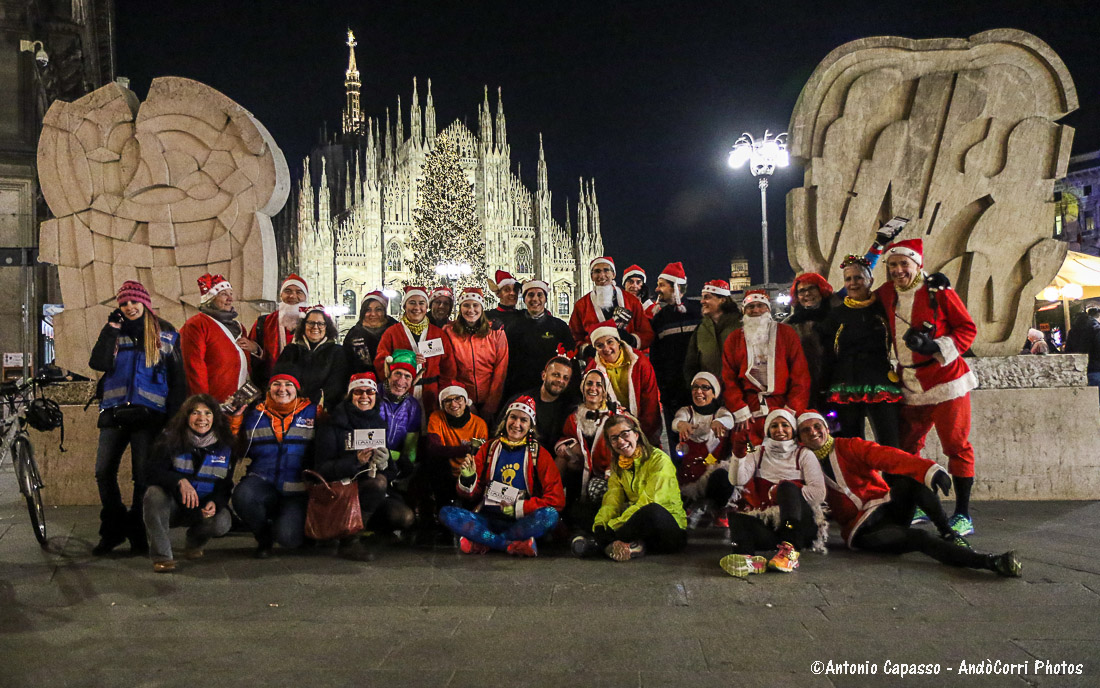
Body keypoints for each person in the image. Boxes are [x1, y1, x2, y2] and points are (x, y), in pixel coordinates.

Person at [795, 411, 1021, 577]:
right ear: (800, 437)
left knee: (911, 482)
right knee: (919, 538)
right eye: (806, 430)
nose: (813, 432)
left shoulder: (848, 446)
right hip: (863, 530)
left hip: (886, 507)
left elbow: (888, 456)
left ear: (826, 428)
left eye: (817, 426)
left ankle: (948, 532)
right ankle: (989, 562)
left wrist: (929, 470)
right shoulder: (800, 462)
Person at [877, 238, 980, 536]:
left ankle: (962, 513)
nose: (898, 271)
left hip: (947, 382)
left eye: (904, 264)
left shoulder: (937, 291)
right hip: (910, 383)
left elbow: (967, 329)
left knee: (955, 446)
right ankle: (922, 501)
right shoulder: (886, 293)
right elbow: (856, 294)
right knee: (909, 448)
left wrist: (935, 345)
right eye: (892, 265)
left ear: (917, 264)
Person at [88, 281, 186, 555]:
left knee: (141, 477)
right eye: (124, 303)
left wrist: (174, 420)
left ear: (145, 303)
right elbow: (99, 363)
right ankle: (113, 528)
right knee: (103, 471)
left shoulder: (164, 332)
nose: (129, 307)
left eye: (134, 302)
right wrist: (111, 330)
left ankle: (137, 532)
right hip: (115, 412)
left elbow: (178, 380)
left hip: (149, 415)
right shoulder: (113, 330)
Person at [439, 396, 565, 556]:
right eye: (513, 417)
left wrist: (518, 509)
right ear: (505, 419)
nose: (516, 424)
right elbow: (471, 495)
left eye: (523, 420)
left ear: (531, 426)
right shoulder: (489, 448)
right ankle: (509, 545)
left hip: (521, 523)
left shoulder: (539, 454)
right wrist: (468, 479)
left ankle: (486, 542)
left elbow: (556, 500)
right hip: (487, 520)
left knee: (550, 516)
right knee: (447, 513)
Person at [314, 372, 415, 560]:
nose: (364, 397)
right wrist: (355, 462)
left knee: (405, 517)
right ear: (350, 396)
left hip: (369, 494)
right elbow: (322, 469)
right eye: (358, 392)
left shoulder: (378, 423)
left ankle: (364, 528)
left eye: (370, 392)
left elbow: (390, 473)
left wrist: (385, 463)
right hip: (341, 492)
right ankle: (349, 539)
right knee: (377, 483)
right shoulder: (333, 425)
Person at [716, 408, 826, 577]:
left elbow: (819, 493)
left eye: (785, 425)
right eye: (774, 426)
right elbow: (737, 481)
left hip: (798, 527)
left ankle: (790, 550)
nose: (780, 430)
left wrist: (783, 493)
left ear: (793, 430)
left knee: (786, 488)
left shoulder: (804, 454)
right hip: (772, 529)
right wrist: (738, 455)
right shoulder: (758, 452)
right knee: (737, 517)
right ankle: (748, 559)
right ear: (768, 430)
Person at [571, 413, 687, 561]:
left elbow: (649, 501)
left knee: (652, 512)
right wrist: (601, 524)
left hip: (667, 529)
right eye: (614, 438)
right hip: (634, 522)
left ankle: (598, 544)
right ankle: (632, 545)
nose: (621, 441)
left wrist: (612, 527)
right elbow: (612, 499)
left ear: (636, 435)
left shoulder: (659, 460)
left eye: (625, 434)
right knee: (580, 509)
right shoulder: (619, 465)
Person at [817, 254, 903, 447]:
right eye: (848, 279)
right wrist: (823, 387)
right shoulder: (835, 316)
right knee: (852, 444)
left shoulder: (883, 309)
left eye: (858, 278)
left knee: (891, 442)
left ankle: (894, 477)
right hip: (845, 381)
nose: (853, 283)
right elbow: (828, 355)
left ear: (870, 280)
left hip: (880, 379)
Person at [142, 394, 234, 572]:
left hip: (201, 507)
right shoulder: (169, 439)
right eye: (195, 413)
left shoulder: (225, 445)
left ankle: (194, 543)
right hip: (173, 506)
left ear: (215, 417)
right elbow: (151, 472)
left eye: (207, 413)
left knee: (222, 522)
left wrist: (215, 502)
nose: (202, 419)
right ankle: (162, 557)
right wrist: (179, 481)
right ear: (186, 417)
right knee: (153, 494)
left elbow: (225, 485)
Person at [231, 374, 316, 558]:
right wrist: (235, 419)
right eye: (276, 384)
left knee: (288, 538)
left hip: (297, 490)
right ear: (269, 389)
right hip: (263, 480)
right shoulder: (254, 413)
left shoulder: (314, 412)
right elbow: (235, 447)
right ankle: (263, 538)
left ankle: (287, 522)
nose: (282, 389)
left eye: (288, 384)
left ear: (297, 389)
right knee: (243, 496)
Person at [721, 289, 811, 449]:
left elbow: (800, 375)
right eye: (750, 307)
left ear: (769, 309)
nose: (755, 310)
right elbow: (729, 378)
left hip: (782, 404)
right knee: (749, 455)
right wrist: (739, 408)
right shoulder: (734, 339)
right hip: (749, 409)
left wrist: (792, 408)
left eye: (760, 306)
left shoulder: (787, 334)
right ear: (744, 311)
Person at [375, 286, 454, 419]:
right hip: (402, 392)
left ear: (426, 306)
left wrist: (444, 391)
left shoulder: (438, 333)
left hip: (431, 393)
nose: (417, 307)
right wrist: (406, 359)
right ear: (404, 306)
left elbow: (449, 367)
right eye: (412, 303)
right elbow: (381, 362)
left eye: (421, 303)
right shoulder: (392, 333)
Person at [554, 369, 617, 525]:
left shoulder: (616, 417)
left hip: (608, 475)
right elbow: (565, 438)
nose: (593, 388)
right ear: (583, 388)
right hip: (581, 472)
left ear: (604, 391)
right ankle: (551, 503)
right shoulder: (573, 417)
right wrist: (570, 447)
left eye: (598, 385)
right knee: (562, 459)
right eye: (589, 383)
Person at [585, 320, 663, 447]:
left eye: (610, 342)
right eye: (600, 345)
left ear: (618, 342)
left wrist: (644, 435)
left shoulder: (640, 363)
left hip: (642, 424)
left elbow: (650, 402)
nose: (606, 349)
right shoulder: (593, 370)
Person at [648, 262, 701, 441]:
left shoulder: (698, 312)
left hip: (700, 388)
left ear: (676, 286)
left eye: (662, 285)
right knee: (677, 438)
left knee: (703, 439)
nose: (657, 289)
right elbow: (656, 357)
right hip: (672, 392)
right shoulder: (660, 319)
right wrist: (663, 387)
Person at [180, 274, 253, 403]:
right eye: (223, 294)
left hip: (240, 403)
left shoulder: (239, 327)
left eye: (231, 293)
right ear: (211, 298)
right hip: (214, 404)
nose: (230, 298)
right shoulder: (197, 325)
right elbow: (193, 367)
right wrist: (203, 403)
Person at [440, 287, 509, 418]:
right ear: (460, 308)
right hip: (460, 400)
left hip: (490, 399)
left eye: (475, 305)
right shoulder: (449, 332)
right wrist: (465, 400)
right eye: (466, 305)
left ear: (482, 308)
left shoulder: (496, 332)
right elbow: (448, 369)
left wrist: (491, 404)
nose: (471, 310)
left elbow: (501, 370)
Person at [502, 279, 576, 398]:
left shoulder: (559, 326)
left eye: (539, 295)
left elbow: (571, 360)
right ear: (524, 299)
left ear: (546, 299)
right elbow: (506, 363)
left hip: (553, 391)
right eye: (530, 295)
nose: (535, 299)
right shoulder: (513, 327)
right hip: (521, 389)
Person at [673, 372, 733, 516]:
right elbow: (677, 421)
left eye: (705, 387)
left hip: (712, 474)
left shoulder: (720, 412)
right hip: (688, 477)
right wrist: (681, 424)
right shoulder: (686, 412)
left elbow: (728, 419)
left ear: (714, 393)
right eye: (695, 387)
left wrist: (720, 422)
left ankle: (717, 510)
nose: (699, 391)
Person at [569, 256, 654, 354]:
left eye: (606, 270)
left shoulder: (631, 301)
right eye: (597, 271)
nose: (602, 275)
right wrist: (587, 349)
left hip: (628, 359)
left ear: (613, 274)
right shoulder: (582, 304)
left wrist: (632, 340)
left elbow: (647, 333)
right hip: (596, 362)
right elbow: (573, 336)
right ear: (592, 276)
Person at [425, 385, 490, 511]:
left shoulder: (479, 424)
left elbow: (480, 455)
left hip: (469, 471)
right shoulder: (437, 417)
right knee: (434, 462)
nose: (453, 404)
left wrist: (451, 451)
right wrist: (466, 449)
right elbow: (433, 449)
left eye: (458, 399)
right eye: (448, 400)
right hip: (446, 472)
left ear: (466, 402)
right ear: (442, 405)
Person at [273, 305, 349, 410]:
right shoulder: (290, 351)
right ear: (304, 325)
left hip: (324, 411)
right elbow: (280, 379)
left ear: (327, 327)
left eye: (321, 323)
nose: (315, 327)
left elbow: (336, 386)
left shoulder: (337, 352)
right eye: (311, 323)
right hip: (293, 410)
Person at [500, 356, 577, 453]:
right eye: (556, 375)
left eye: (565, 378)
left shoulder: (569, 408)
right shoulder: (520, 401)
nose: (560, 380)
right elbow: (498, 431)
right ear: (543, 375)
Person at [247, 274, 308, 388]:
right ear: (281, 295)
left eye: (299, 292)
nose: (292, 296)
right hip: (272, 386)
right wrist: (256, 350)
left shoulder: (314, 322)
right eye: (288, 291)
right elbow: (252, 357)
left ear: (306, 297)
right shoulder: (264, 322)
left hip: (305, 387)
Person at [784, 273, 834, 409]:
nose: (807, 294)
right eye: (801, 291)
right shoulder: (790, 325)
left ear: (821, 290)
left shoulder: (836, 317)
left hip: (836, 383)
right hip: (804, 387)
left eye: (811, 288)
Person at [377, 350, 423, 492]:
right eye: (397, 373)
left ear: (413, 381)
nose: (401, 381)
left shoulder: (413, 406)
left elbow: (410, 447)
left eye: (407, 376)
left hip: (395, 467)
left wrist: (405, 465)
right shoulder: (372, 395)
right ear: (388, 374)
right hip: (371, 462)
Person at [684, 279, 742, 384]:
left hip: (737, 393)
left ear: (722, 300)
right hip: (709, 394)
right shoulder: (700, 329)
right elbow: (691, 363)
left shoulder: (740, 326)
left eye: (707, 297)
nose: (702, 301)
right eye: (702, 297)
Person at [344, 291, 398, 376]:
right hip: (363, 385)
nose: (373, 314)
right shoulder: (353, 335)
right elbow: (347, 366)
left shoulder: (396, 331)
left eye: (378, 309)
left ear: (384, 311)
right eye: (368, 310)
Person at [1066, 306, 1100, 390]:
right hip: (1096, 368)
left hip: (1079, 370)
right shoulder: (1096, 329)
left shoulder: (1073, 331)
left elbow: (1068, 350)